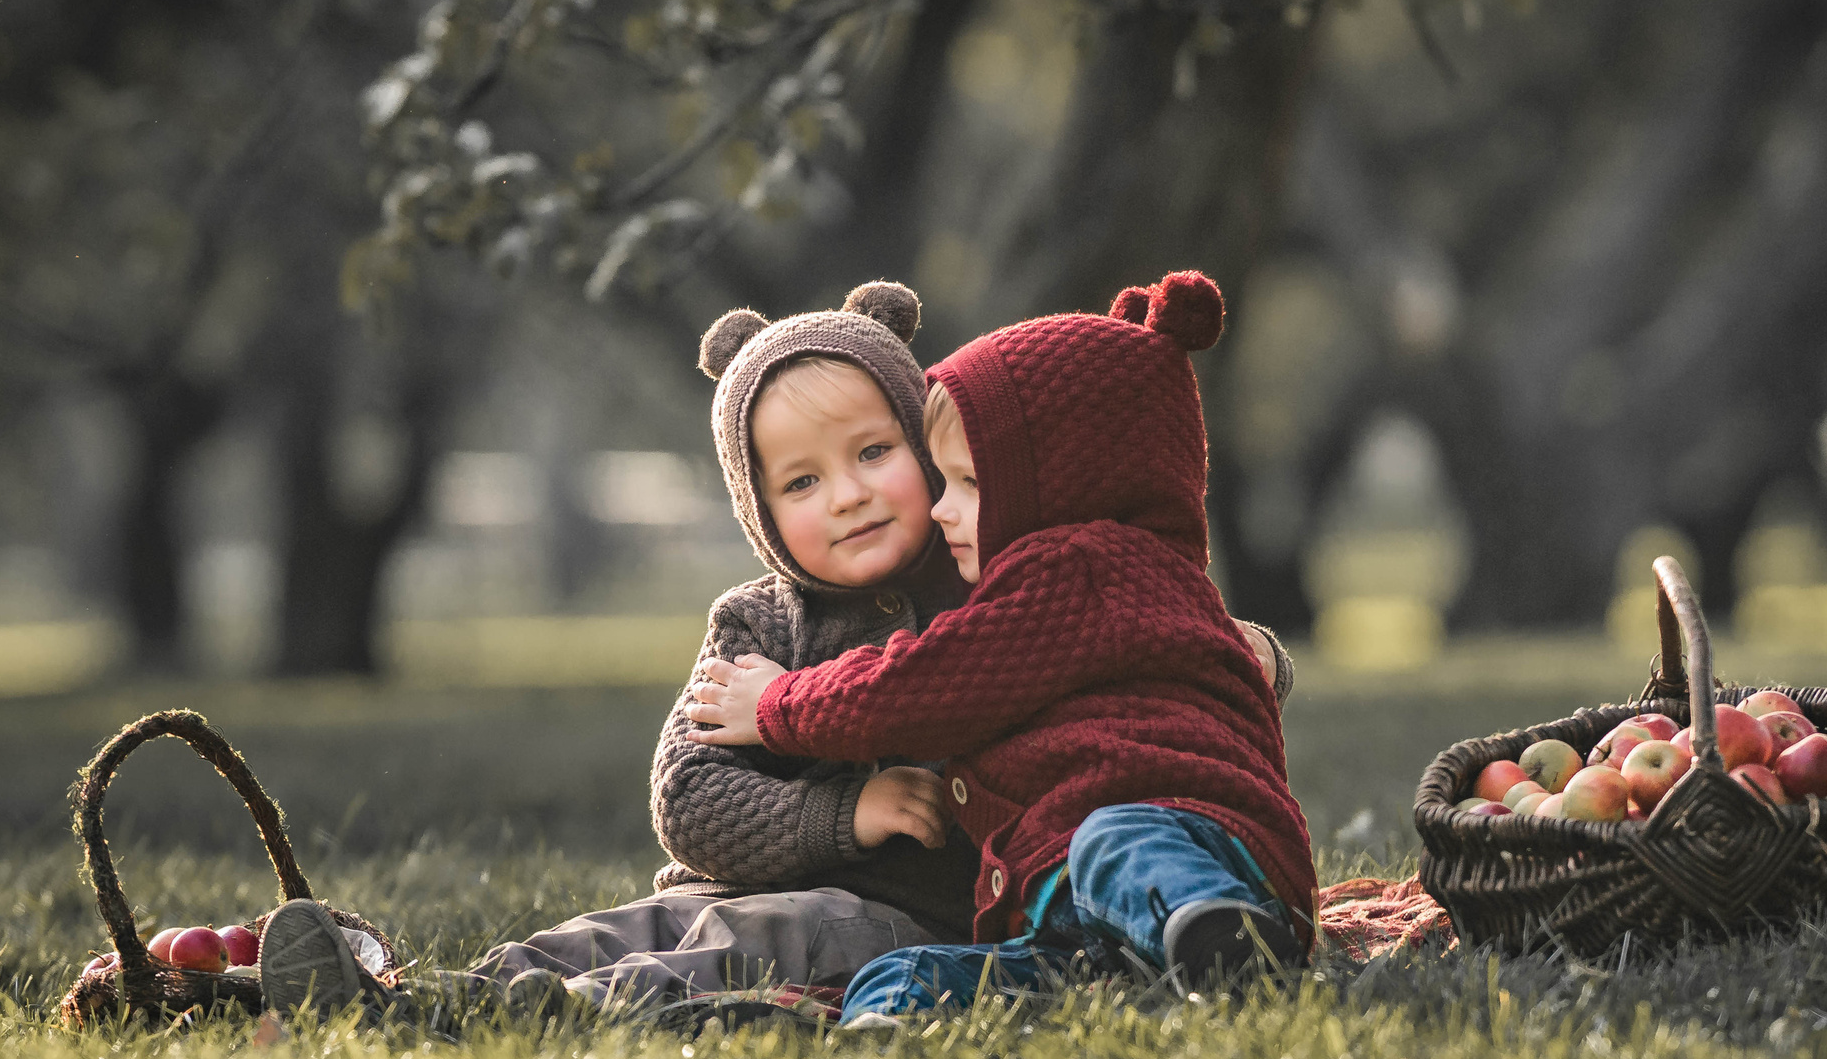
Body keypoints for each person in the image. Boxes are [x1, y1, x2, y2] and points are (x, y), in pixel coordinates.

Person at [258, 282, 1291, 1019]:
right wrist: (840, 812)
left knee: (742, 949)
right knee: (635, 926)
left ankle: (510, 1016)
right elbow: (693, 798)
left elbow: (1097, 649)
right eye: (798, 483)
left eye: (876, 454)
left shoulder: (982, 581)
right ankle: (430, 987)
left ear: (933, 450)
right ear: (755, 506)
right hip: (738, 877)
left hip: (899, 913)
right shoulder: (757, 626)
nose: (844, 495)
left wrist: (1218, 647)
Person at [685, 271, 1314, 1021]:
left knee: (1113, 839)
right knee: (911, 969)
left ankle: (1228, 939)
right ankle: (877, 1026)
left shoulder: (1075, 568)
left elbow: (921, 687)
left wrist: (779, 702)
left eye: (968, 483)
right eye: (940, 478)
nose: (943, 506)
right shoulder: (766, 616)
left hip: (1195, 846)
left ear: (1057, 482)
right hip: (1070, 923)